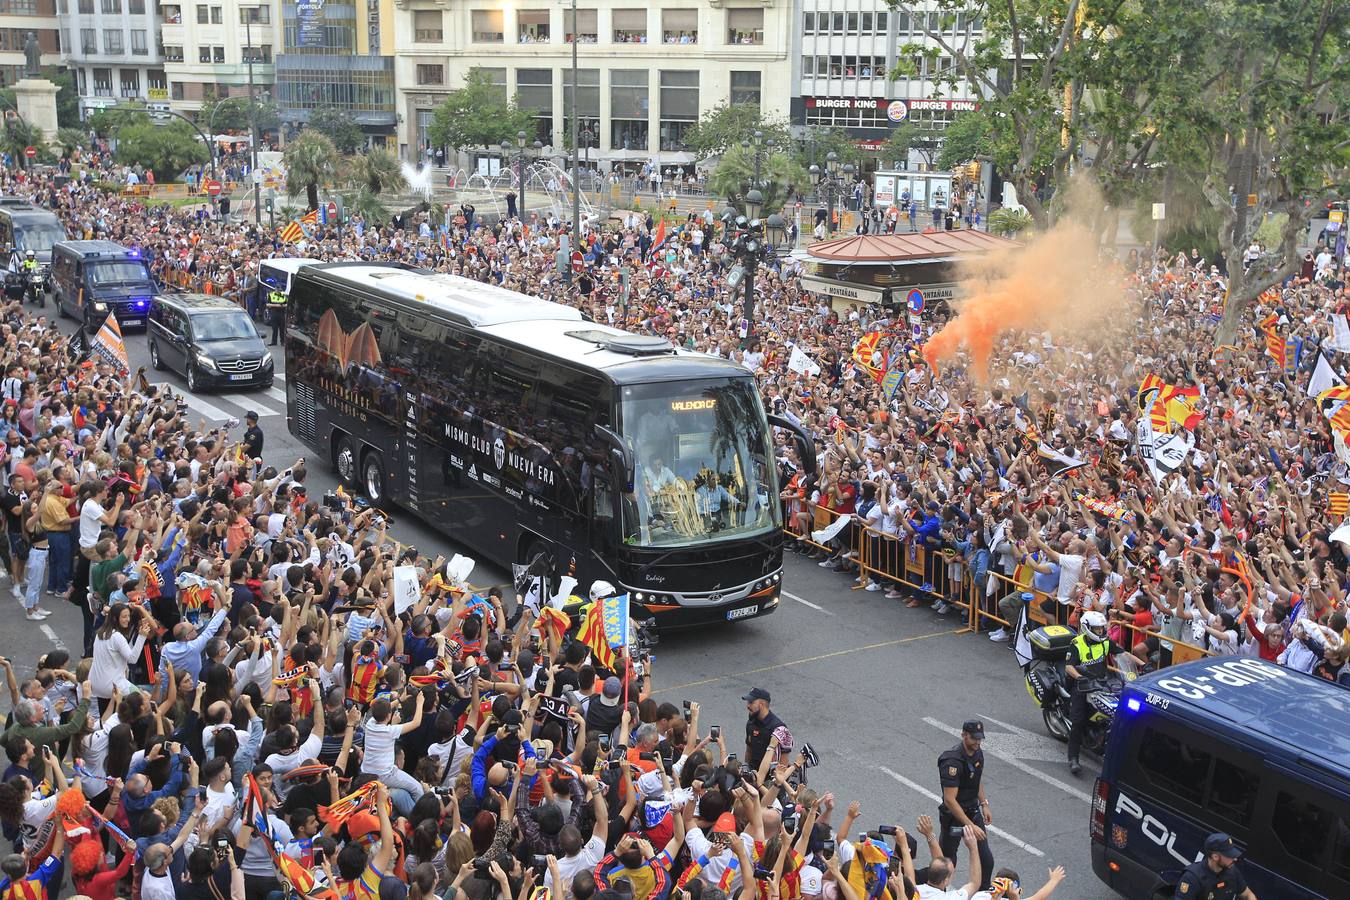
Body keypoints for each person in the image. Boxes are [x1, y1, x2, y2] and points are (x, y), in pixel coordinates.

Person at [1064, 611, 1142, 775]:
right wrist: (1079, 677)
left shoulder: (1106, 641)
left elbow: (1123, 653)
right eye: (1097, 629)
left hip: (1101, 682)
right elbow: (1068, 666)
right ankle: (1073, 758)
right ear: (1087, 628)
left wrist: (1143, 665)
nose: (1100, 632)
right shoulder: (1076, 643)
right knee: (1078, 721)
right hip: (1082, 685)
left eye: (1101, 629)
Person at [937, 720, 994, 894]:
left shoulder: (978, 754)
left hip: (973, 812)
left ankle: (983, 894)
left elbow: (976, 781)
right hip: (954, 817)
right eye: (974, 738)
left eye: (980, 738)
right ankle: (940, 895)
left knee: (986, 860)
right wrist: (970, 825)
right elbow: (950, 800)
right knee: (946, 864)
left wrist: (984, 804)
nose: (977, 742)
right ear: (963, 735)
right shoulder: (952, 761)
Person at [1173, 833, 1257, 899]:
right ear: (1215, 857)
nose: (1234, 859)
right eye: (1229, 855)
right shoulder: (1191, 879)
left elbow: (1248, 894)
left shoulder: (1232, 871)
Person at [743, 686, 790, 770]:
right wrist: (745, 768)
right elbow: (749, 749)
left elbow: (784, 759)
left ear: (762, 704)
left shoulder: (778, 728)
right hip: (753, 773)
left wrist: (778, 780)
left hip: (769, 777)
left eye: (751, 702)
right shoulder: (751, 723)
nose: (748, 706)